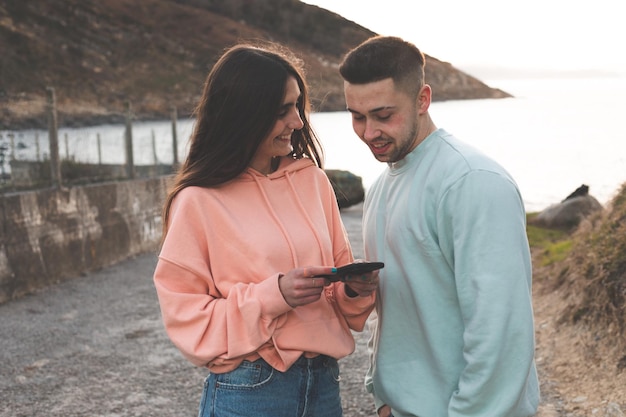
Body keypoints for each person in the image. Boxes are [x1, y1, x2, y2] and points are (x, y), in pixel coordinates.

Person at [153, 42, 379, 417]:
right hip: (250, 390)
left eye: (297, 105)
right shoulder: (198, 200)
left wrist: (354, 288)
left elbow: (338, 295)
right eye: (282, 111)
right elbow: (187, 319)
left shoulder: (314, 183)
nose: (298, 122)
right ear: (244, 115)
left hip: (323, 385)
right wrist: (275, 295)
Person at [339, 36, 540, 417]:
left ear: (423, 99)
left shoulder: (473, 181)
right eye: (357, 116)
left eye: (383, 115)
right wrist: (380, 394)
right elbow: (394, 311)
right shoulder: (383, 186)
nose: (368, 133)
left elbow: (500, 332)